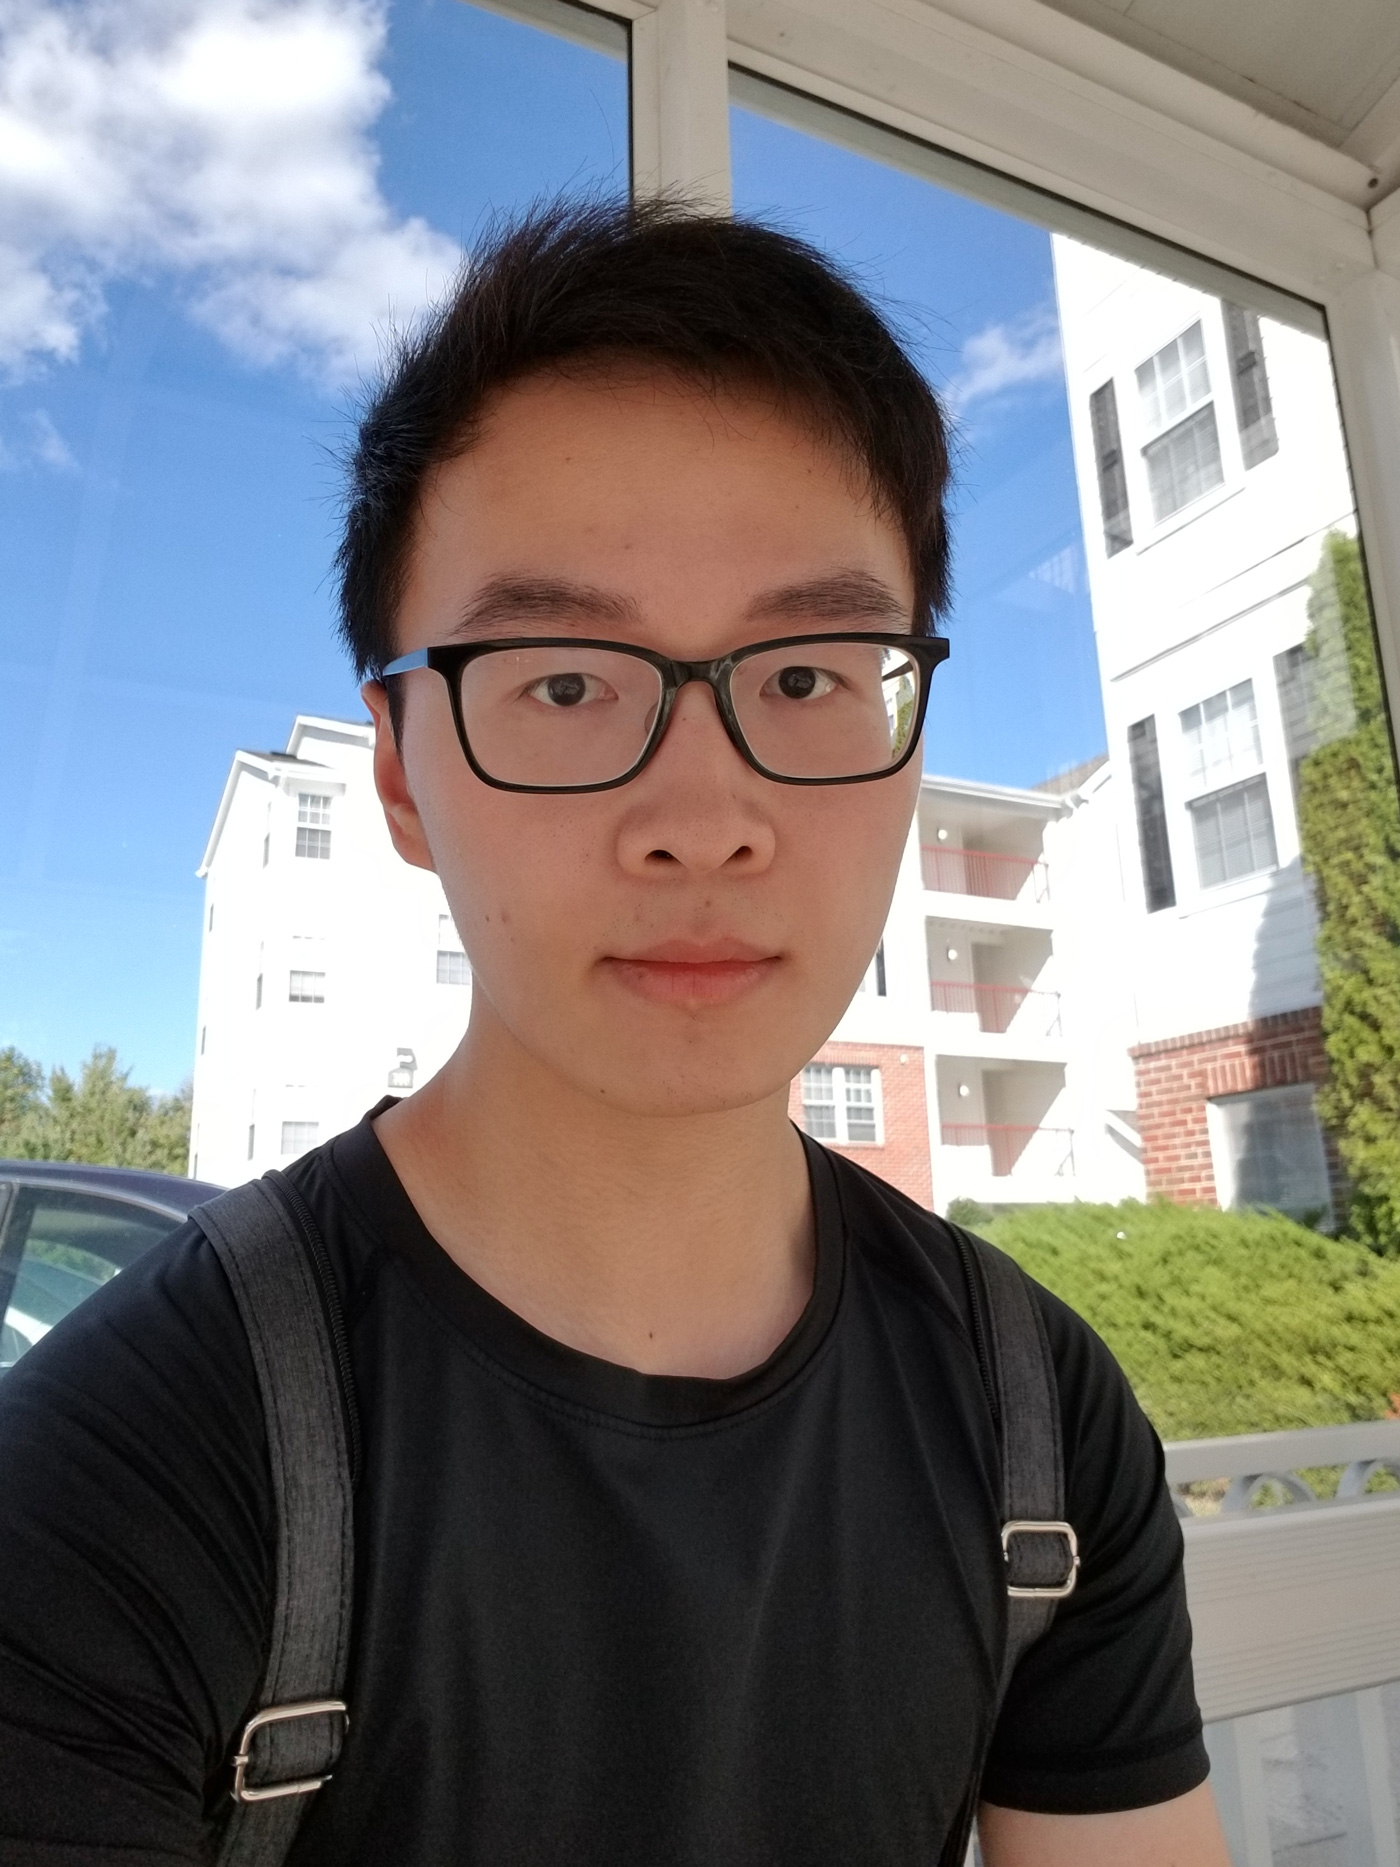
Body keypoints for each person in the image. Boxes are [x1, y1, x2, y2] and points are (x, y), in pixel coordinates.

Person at [0, 200, 1229, 1866]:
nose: (704, 819)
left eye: (806, 675)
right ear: (398, 774)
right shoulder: (125, 1480)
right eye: (567, 682)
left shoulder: (1043, 1430)